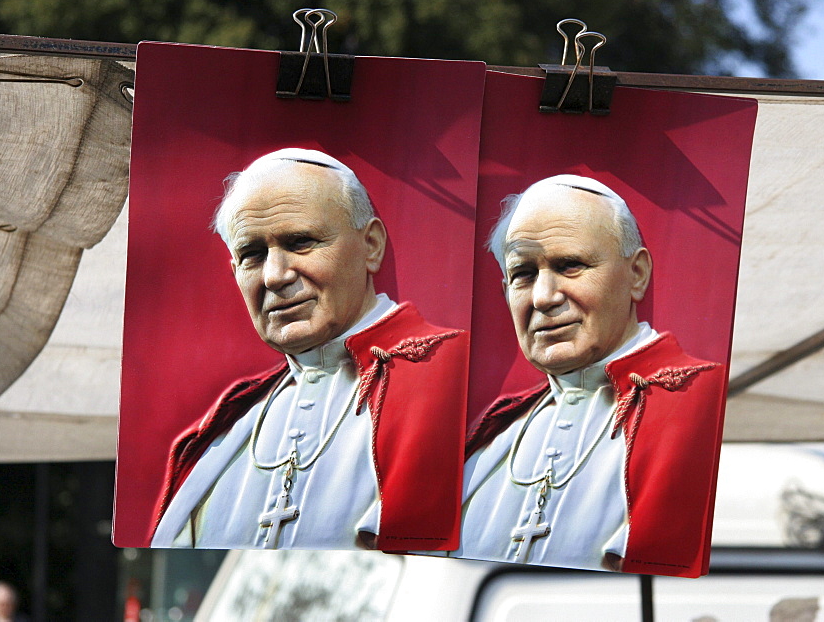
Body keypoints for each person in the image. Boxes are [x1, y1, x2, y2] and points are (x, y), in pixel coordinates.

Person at [151, 148, 469, 552]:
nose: (275, 276)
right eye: (252, 255)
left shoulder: (452, 372)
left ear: (371, 246)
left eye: (301, 242)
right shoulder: (226, 425)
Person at [456, 175, 726, 577]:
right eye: (523, 274)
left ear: (637, 274)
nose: (544, 297)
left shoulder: (704, 406)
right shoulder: (491, 438)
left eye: (570, 266)